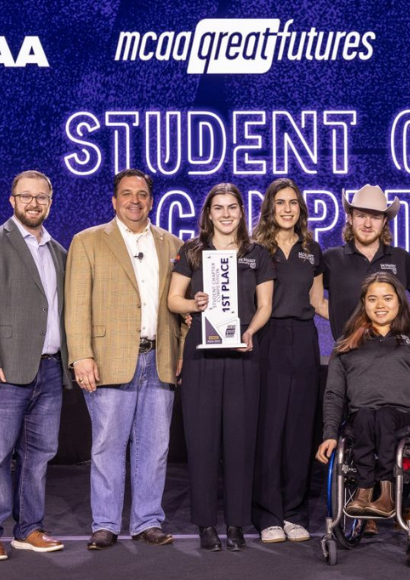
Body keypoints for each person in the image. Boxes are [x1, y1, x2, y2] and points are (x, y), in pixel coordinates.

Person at [65, 169, 184, 550]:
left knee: (155, 446)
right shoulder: (88, 241)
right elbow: (76, 304)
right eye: (127, 194)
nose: (136, 200)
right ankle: (106, 524)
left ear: (152, 200)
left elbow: (180, 310)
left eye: (143, 194)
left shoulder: (173, 244)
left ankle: (147, 520)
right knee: (107, 446)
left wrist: (181, 351)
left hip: (159, 358)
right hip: (108, 358)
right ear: (114, 201)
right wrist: (81, 355)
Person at [0, 170, 69, 561]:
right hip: (3, 371)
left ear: (50, 202)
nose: (33, 203)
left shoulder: (59, 251)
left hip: (50, 369)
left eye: (41, 197)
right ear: (12, 200)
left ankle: (29, 528)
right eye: (26, 196)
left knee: (39, 453)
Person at [168, 183, 275, 551]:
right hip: (202, 357)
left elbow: (265, 306)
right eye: (219, 208)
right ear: (208, 214)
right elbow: (173, 300)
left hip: (243, 355)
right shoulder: (192, 252)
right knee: (202, 443)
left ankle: (235, 524)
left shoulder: (257, 253)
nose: (226, 214)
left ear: (242, 212)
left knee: (240, 442)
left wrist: (251, 332)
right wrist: (194, 304)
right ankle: (205, 525)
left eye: (232, 207)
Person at [316, 272, 410, 522]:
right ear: (363, 303)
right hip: (363, 417)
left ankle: (387, 493)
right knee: (366, 416)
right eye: (373, 299)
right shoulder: (346, 345)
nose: (380, 305)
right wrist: (330, 435)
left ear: (399, 301)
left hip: (406, 417)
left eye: (387, 298)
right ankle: (365, 491)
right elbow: (333, 394)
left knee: (384, 416)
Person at [249, 178, 321, 544]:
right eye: (280, 203)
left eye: (293, 202)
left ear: (301, 208)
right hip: (268, 339)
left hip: (305, 341)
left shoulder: (312, 249)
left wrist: (360, 324)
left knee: (299, 430)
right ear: (270, 208)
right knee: (270, 429)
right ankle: (268, 514)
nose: (288, 209)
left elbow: (319, 302)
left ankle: (294, 513)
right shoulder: (256, 249)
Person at [321, 185, 410, 342]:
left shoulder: (400, 258)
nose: (367, 224)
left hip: (393, 356)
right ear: (350, 218)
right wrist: (341, 319)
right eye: (361, 215)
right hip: (347, 355)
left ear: (384, 221)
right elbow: (309, 298)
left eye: (375, 217)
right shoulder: (331, 258)